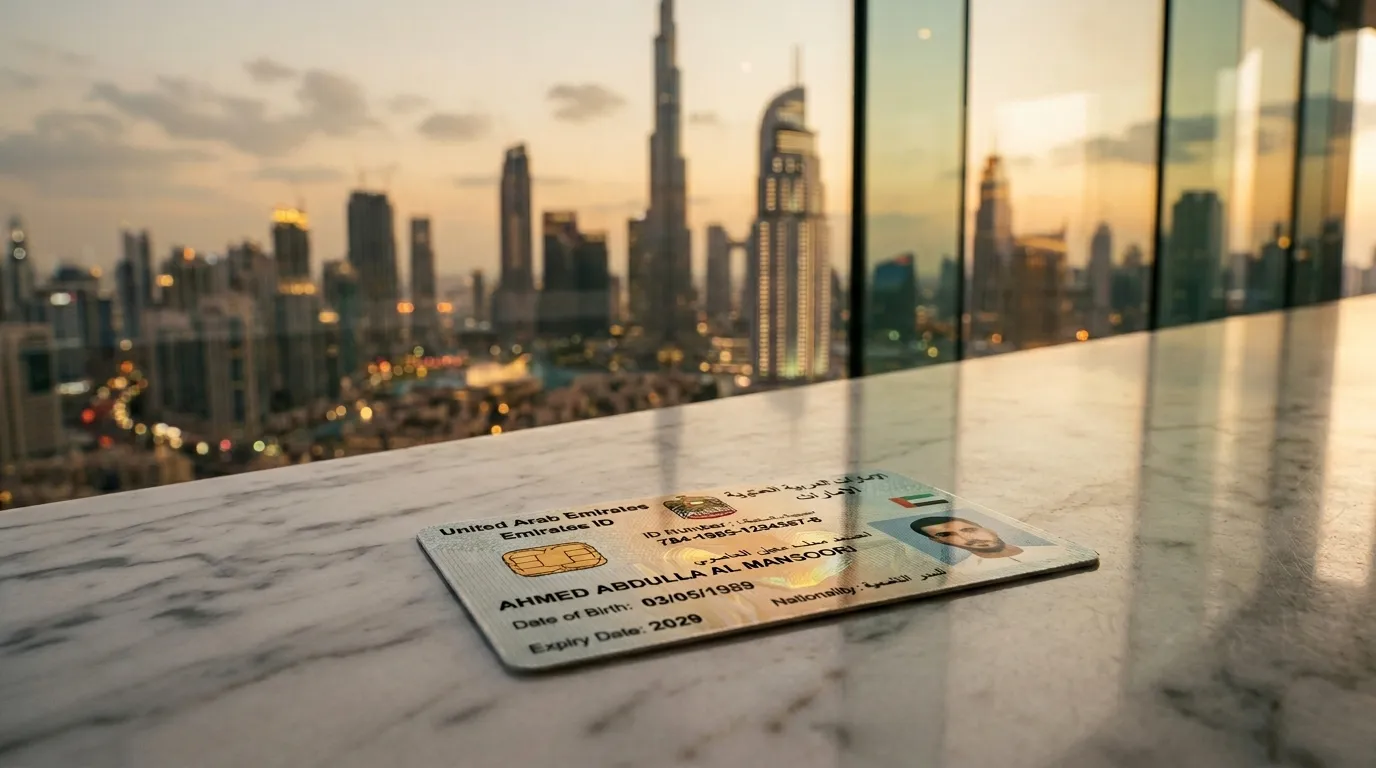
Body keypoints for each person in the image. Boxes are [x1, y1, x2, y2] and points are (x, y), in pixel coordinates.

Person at [910, 515, 1062, 574]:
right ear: (938, 541)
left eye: (969, 530)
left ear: (989, 530)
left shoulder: (1057, 551)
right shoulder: (965, 573)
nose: (967, 538)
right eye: (946, 535)